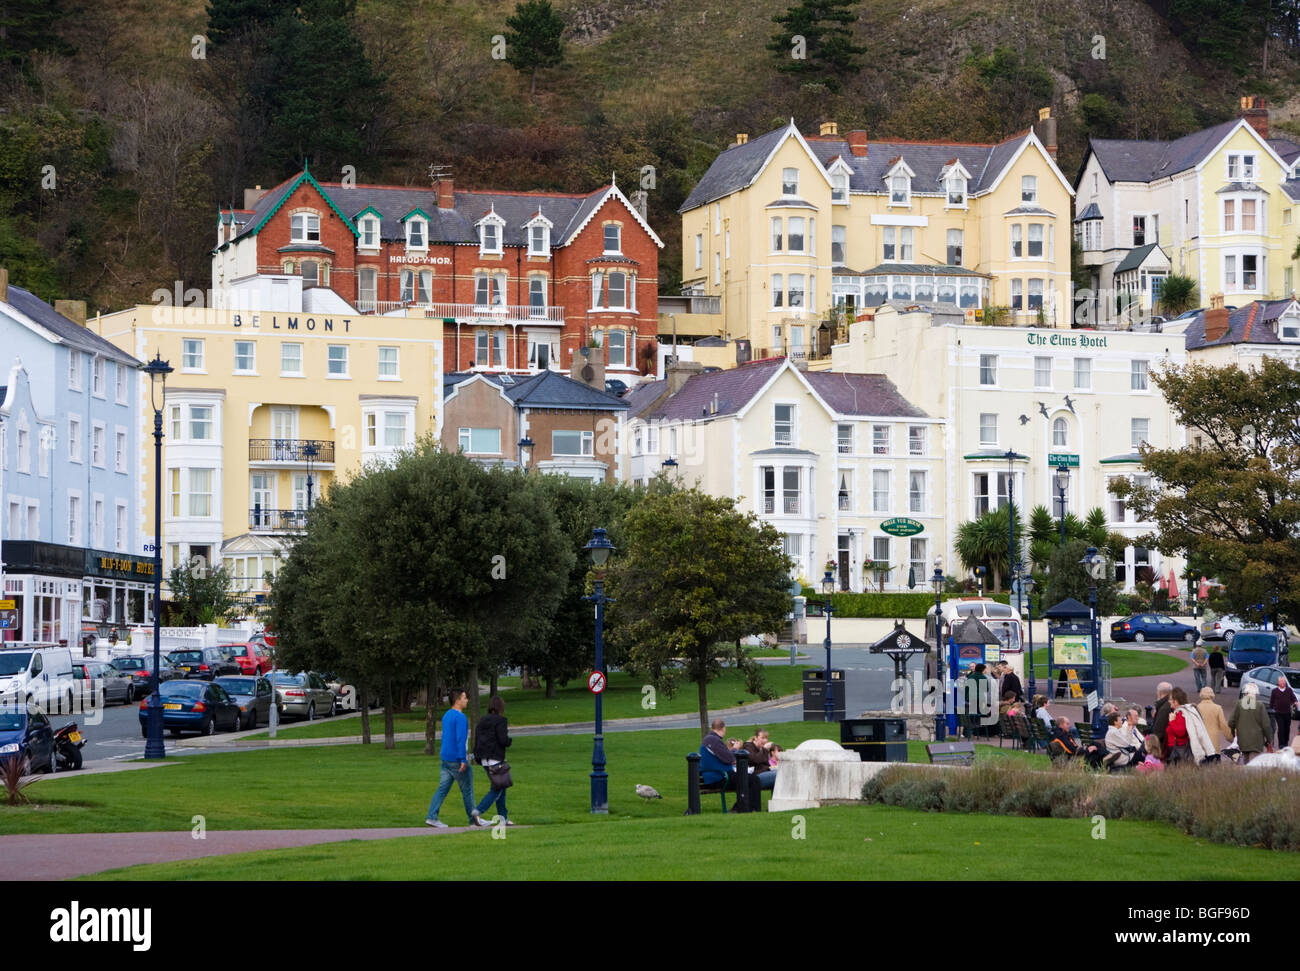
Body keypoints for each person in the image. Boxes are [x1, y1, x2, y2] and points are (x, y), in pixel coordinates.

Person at [425, 689, 485, 829]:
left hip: (446, 758)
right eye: (464, 698)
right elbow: (460, 739)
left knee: (442, 789)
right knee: (467, 790)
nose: (466, 700)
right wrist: (463, 760)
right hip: (457, 759)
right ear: (457, 700)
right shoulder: (461, 718)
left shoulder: (446, 715)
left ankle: (432, 816)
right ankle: (474, 820)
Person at [699, 718, 761, 812]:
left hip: (713, 777)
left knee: (748, 778)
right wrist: (735, 749)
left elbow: (723, 757)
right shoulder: (714, 740)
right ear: (723, 728)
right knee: (753, 779)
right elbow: (729, 759)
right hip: (719, 777)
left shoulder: (709, 739)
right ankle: (752, 809)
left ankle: (740, 807)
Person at [472, 694, 513, 826]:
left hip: (484, 759)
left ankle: (503, 817)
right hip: (495, 758)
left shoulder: (482, 720)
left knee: (501, 786)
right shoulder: (501, 721)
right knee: (497, 789)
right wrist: (509, 741)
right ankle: (478, 811)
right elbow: (503, 740)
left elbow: (477, 739)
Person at [1229, 683, 1272, 763]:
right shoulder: (1260, 705)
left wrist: (1233, 733)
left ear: (1245, 693)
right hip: (1257, 739)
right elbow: (1266, 725)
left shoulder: (1239, 704)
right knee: (1254, 764)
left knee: (1245, 761)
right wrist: (1269, 739)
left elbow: (1231, 722)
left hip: (1243, 738)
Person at [1196, 686, 1232, 755]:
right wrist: (1230, 738)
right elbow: (1223, 725)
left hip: (1201, 741)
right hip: (1213, 741)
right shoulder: (1218, 708)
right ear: (1212, 695)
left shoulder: (1197, 708)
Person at [1269, 674, 1297, 749]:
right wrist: (1271, 708)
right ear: (1278, 683)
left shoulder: (1289, 690)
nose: (1283, 683)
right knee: (1281, 728)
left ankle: (1286, 742)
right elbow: (1271, 701)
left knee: (1287, 728)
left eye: (1284, 682)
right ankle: (1281, 744)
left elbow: (1293, 698)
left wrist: (1295, 702)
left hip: (1287, 713)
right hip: (1278, 713)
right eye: (1281, 682)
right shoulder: (1274, 691)